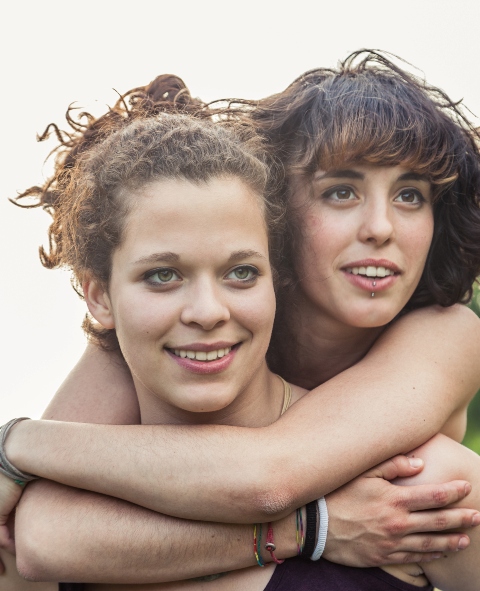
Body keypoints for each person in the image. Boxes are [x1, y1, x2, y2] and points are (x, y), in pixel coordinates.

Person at [2, 51, 480, 589]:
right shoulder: (167, 328)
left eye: (411, 195)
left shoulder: (445, 333)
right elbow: (40, 533)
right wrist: (310, 527)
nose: (379, 227)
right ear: (276, 212)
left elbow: (271, 475)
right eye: (341, 191)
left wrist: (17, 444)